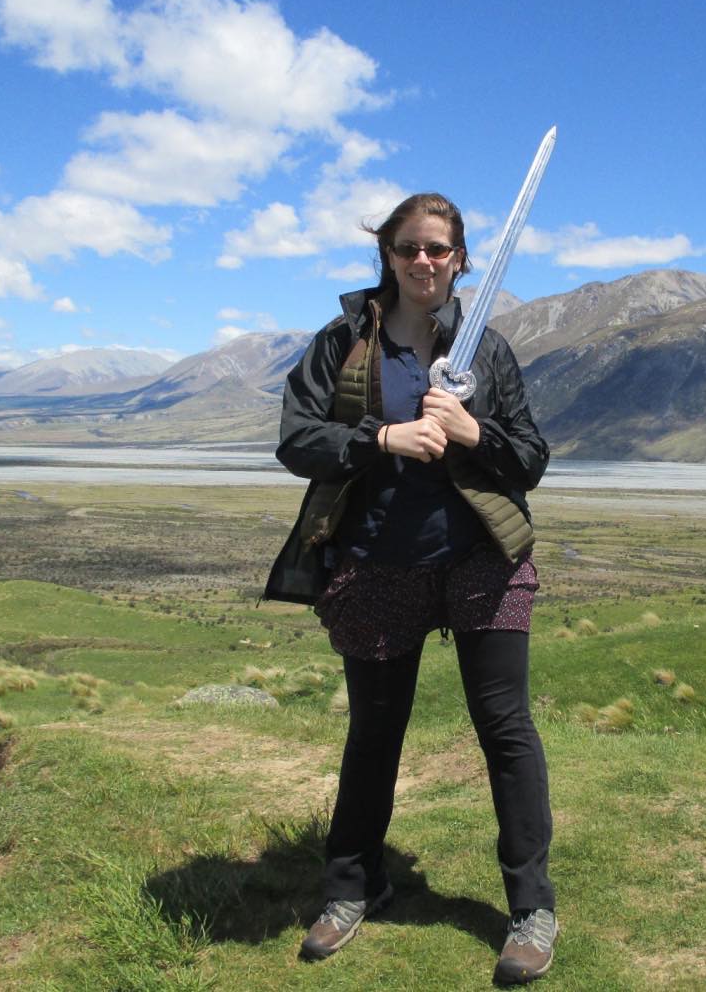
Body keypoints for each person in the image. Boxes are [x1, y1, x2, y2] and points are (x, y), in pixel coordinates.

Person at [264, 192, 557, 983]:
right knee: (375, 733)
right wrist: (383, 436)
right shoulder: (343, 344)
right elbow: (296, 439)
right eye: (408, 248)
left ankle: (531, 909)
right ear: (387, 256)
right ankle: (353, 888)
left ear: (461, 259)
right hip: (376, 562)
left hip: (480, 560)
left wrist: (474, 433)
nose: (423, 262)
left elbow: (529, 456)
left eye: (438, 249)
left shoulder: (485, 350)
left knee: (506, 729)